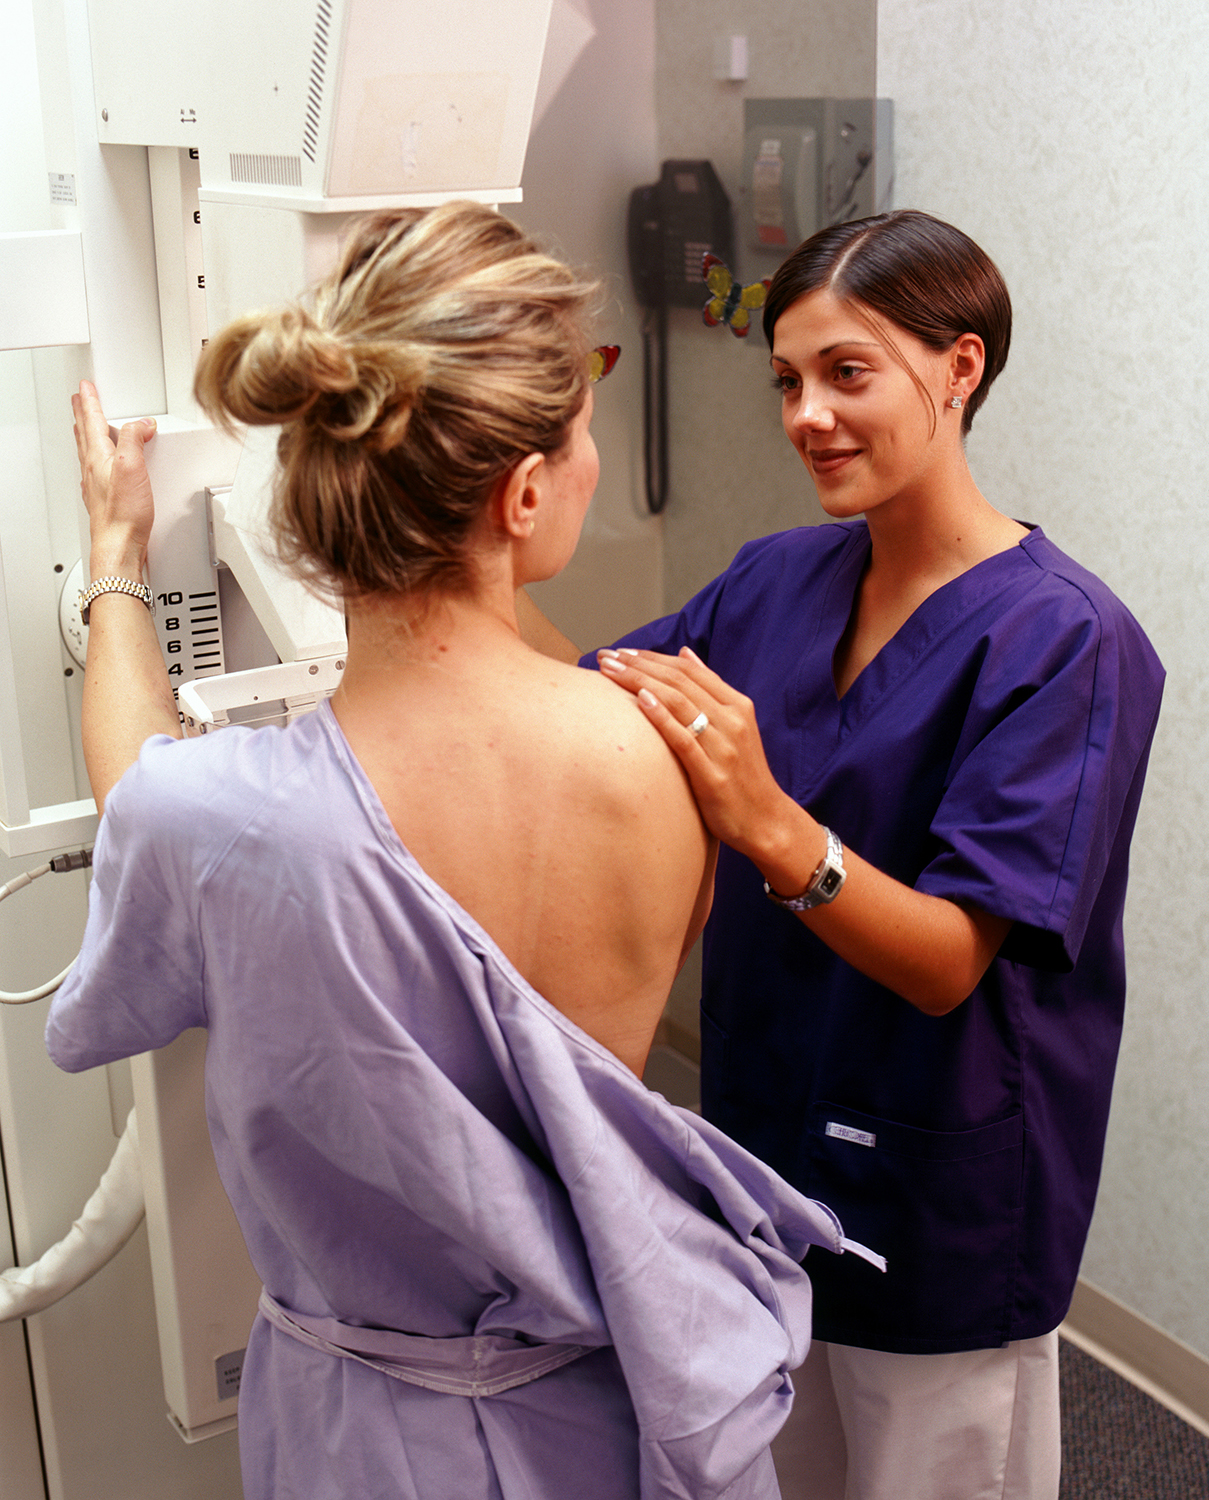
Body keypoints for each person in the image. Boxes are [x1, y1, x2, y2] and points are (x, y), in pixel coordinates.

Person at [45, 202, 879, 1500]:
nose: (592, 465)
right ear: (526, 489)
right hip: (618, 1412)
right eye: (578, 433)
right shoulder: (659, 763)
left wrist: (115, 553)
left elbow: (129, 790)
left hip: (370, 1441)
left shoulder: (222, 821)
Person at [526, 210, 1165, 1499]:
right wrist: (447, 567)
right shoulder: (774, 583)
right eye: (787, 381)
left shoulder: (1066, 642)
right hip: (767, 1166)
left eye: (848, 373)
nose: (806, 414)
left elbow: (946, 963)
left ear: (961, 369)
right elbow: (575, 707)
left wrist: (767, 821)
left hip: (940, 1195)